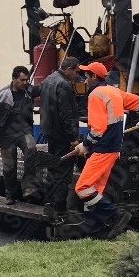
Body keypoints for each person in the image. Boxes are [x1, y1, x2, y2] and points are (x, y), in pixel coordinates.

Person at [72, 61, 139, 238]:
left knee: (82, 187)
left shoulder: (95, 95)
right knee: (95, 189)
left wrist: (85, 145)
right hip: (112, 148)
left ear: (94, 77)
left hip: (103, 149)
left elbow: (98, 129)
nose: (85, 79)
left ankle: (116, 215)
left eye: (87, 76)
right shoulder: (114, 91)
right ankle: (95, 231)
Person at [0, 66, 38, 202]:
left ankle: (28, 187)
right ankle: (10, 195)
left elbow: (43, 88)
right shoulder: (3, 95)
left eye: (27, 80)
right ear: (14, 79)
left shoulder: (29, 90)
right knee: (9, 167)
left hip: (24, 132)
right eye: (22, 80)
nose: (25, 83)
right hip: (7, 135)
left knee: (32, 151)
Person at [38, 56, 82, 217]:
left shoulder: (48, 80)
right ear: (69, 69)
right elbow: (65, 114)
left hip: (50, 132)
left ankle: (49, 202)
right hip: (62, 136)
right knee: (63, 172)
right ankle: (59, 207)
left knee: (52, 168)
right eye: (76, 72)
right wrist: (73, 138)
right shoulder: (63, 85)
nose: (77, 75)